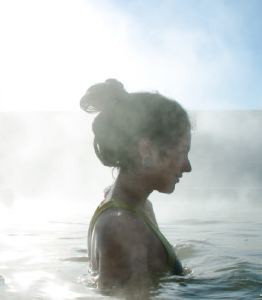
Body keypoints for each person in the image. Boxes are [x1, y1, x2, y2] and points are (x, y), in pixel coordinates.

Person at [80, 79, 192, 286]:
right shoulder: (122, 227)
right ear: (147, 150)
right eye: (183, 151)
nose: (188, 166)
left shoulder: (136, 208)